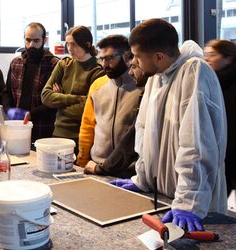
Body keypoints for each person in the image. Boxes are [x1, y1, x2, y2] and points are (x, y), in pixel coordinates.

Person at [111, 19, 227, 232]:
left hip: (196, 206)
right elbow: (145, 132)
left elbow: (197, 144)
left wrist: (189, 202)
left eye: (137, 56)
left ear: (158, 57)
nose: (133, 62)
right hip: (164, 195)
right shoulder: (157, 76)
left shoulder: (194, 72)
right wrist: (142, 178)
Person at [77, 35, 144, 178]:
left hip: (130, 170)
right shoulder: (97, 86)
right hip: (97, 166)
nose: (104, 65)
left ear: (127, 56)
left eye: (110, 58)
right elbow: (88, 126)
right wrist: (82, 161)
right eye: (102, 59)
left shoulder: (142, 87)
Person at [41, 26, 105, 152]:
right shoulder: (64, 64)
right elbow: (45, 96)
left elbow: (86, 111)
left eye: (74, 44)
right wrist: (75, 98)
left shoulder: (97, 71)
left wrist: (59, 100)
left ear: (87, 44)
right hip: (58, 133)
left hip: (81, 137)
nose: (69, 49)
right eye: (68, 44)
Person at [2, 22, 59, 142]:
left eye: (36, 40)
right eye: (28, 40)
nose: (31, 44)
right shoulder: (16, 63)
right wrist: (9, 110)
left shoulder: (55, 65)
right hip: (18, 127)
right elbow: (7, 92)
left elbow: (55, 101)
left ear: (44, 40)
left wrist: (31, 114)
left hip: (44, 128)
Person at [204, 39, 236, 196]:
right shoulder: (212, 82)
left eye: (212, 55)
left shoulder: (227, 84)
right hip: (221, 149)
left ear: (228, 58)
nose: (206, 59)